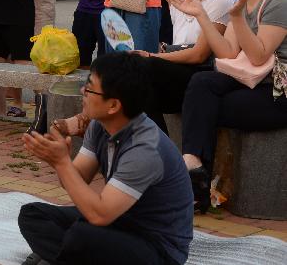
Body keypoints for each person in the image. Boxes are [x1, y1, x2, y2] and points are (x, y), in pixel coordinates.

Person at [18, 53, 193, 265]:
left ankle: (59, 256)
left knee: (81, 235)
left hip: (157, 247)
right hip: (120, 222)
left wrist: (62, 163)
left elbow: (100, 215)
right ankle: (66, 257)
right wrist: (57, 161)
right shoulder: (100, 126)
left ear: (113, 105)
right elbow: (77, 179)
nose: (83, 91)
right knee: (33, 215)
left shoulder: (145, 149)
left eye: (89, 88)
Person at [55, 0, 235, 137]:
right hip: (177, 74)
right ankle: (113, 133)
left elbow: (198, 56)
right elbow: (181, 46)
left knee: (139, 68)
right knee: (120, 72)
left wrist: (151, 56)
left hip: (200, 78)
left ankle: (88, 121)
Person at [167, 0, 287, 213]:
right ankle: (192, 166)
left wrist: (235, 18)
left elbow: (259, 55)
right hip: (252, 82)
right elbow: (228, 53)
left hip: (278, 91)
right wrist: (200, 15)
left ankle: (196, 183)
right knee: (202, 82)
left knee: (204, 106)